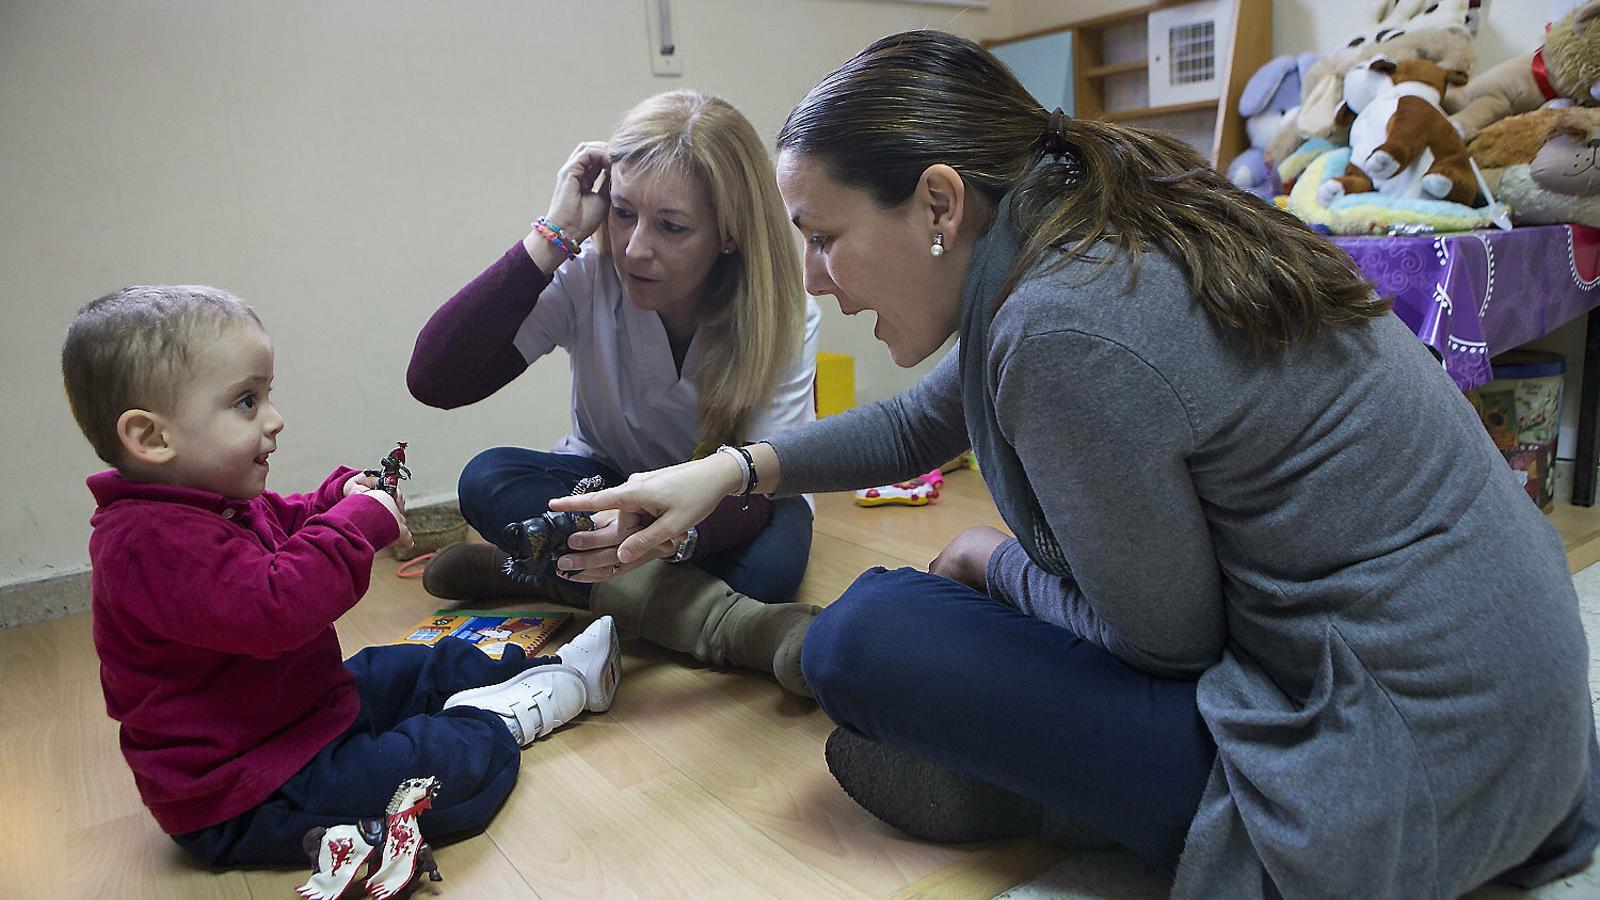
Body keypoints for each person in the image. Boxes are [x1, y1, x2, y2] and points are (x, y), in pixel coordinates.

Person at [548, 30, 1600, 899]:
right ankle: (1063, 791)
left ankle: (1080, 804)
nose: (815, 281)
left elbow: (1168, 640)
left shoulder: (1062, 329)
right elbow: (922, 424)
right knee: (911, 636)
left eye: (821, 237)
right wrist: (731, 472)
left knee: (866, 638)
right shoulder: (1081, 230)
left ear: (939, 205)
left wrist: (988, 559)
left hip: (1399, 748)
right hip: (1512, 699)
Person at [62, 285, 621, 866]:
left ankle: (537, 670)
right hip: (253, 788)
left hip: (300, 710)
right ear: (152, 437)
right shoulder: (144, 544)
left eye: (266, 395)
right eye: (246, 402)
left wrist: (337, 498)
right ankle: (502, 718)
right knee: (437, 768)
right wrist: (354, 528)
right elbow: (275, 606)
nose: (274, 419)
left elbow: (287, 520)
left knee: (409, 665)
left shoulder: (211, 501)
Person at [409, 90, 823, 695]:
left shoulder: (783, 314)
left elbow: (761, 484)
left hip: (729, 498)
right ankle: (723, 623)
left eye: (672, 226)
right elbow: (435, 379)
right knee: (486, 478)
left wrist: (661, 524)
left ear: (728, 234)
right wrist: (550, 238)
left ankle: (537, 574)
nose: (634, 248)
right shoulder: (584, 273)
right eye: (623, 213)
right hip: (603, 483)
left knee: (768, 570)